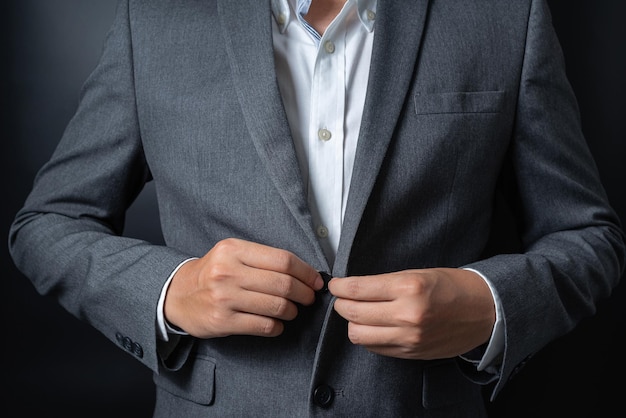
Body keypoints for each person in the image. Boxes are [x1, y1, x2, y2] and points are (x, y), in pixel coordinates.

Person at [8, 0, 625, 416]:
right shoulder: (158, 20)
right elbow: (47, 225)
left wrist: (489, 306)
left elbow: (588, 235)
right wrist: (171, 292)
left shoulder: (504, 17)